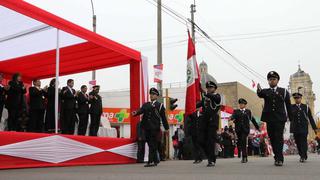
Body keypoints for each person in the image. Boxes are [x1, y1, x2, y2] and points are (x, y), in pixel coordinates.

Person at [257, 71, 292, 166]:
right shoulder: (265, 91)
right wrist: (258, 90)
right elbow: (260, 94)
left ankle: (279, 158)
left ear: (277, 80)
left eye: (274, 79)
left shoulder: (284, 91)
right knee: (272, 138)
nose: (272, 81)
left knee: (278, 137)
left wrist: (291, 118)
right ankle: (276, 156)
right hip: (269, 118)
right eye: (270, 79)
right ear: (268, 81)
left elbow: (288, 106)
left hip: (280, 118)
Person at [132, 87, 169, 167]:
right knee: (150, 144)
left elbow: (163, 118)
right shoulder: (146, 105)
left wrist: (167, 128)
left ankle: (151, 161)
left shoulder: (160, 106)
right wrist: (135, 113)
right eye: (150, 94)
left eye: (153, 94)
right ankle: (156, 160)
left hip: (155, 128)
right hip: (146, 128)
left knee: (153, 144)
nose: (151, 96)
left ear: (157, 96)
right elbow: (140, 110)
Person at [290, 92, 319, 162]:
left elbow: (310, 118)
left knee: (303, 142)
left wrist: (315, 128)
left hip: (304, 128)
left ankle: (303, 156)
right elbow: (288, 117)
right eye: (295, 98)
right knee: (298, 142)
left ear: (301, 98)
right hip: (295, 128)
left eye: (298, 98)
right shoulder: (291, 107)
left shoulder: (306, 107)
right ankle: (301, 154)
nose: (297, 99)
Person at [229, 98, 260, 163]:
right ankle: (243, 156)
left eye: (242, 104)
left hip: (245, 129)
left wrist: (257, 127)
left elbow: (253, 119)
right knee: (241, 143)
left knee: (243, 141)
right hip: (238, 130)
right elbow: (233, 116)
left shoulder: (248, 111)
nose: (241, 105)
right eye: (240, 104)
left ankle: (244, 157)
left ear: (245, 105)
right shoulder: (236, 111)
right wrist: (231, 118)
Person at [200, 81, 221, 167]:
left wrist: (205, 93)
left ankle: (211, 160)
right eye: (208, 88)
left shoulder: (217, 96)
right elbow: (199, 104)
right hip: (204, 122)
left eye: (210, 88)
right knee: (201, 140)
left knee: (210, 140)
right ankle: (211, 154)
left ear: (214, 88)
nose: (209, 89)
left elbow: (215, 99)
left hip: (213, 122)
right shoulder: (205, 98)